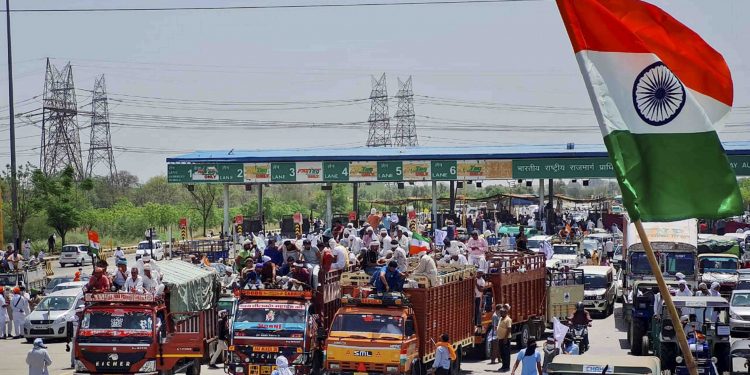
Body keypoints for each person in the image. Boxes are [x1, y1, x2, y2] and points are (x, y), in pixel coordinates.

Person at [497, 307, 513, 372]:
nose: (500, 313)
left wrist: (505, 338)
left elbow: (509, 329)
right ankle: (503, 366)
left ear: (506, 312)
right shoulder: (501, 318)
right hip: (500, 338)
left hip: (505, 339)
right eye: (500, 312)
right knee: (502, 353)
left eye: (502, 312)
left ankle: (507, 367)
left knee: (506, 354)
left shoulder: (508, 319)